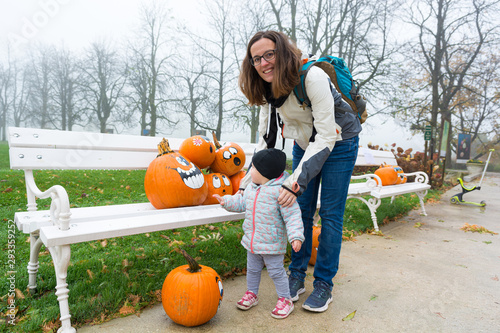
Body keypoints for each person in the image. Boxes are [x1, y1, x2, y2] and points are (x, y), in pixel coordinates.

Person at [238, 30, 362, 313]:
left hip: (339, 142)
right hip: (306, 142)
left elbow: (327, 136)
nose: (264, 63)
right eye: (257, 59)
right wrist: (246, 185)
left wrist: (294, 181)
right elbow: (267, 142)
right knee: (299, 208)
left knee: (330, 214)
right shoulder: (267, 90)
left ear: (281, 53)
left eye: (269, 54)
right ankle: (297, 276)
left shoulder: (313, 78)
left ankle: (323, 284)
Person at [213, 148, 304, 319]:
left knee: (277, 272)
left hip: (272, 242)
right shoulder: (251, 188)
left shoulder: (281, 192)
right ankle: (252, 294)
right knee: (252, 270)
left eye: (253, 167)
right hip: (252, 241)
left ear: (265, 173)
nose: (250, 171)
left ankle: (286, 300)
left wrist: (296, 236)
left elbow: (293, 217)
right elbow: (241, 203)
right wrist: (226, 201)